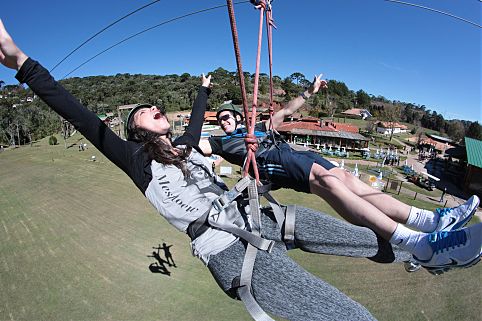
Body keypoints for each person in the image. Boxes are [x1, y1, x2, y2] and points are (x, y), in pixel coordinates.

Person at [1, 19, 480, 321]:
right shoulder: (135, 161)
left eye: (153, 105)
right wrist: (18, 58)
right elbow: (73, 111)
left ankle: (426, 249)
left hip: (259, 215)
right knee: (349, 315)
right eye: (143, 111)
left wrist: (205, 90)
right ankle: (418, 247)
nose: (151, 106)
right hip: (231, 249)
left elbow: (192, 122)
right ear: (135, 131)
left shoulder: (187, 144)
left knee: (368, 238)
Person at [199, 75, 481, 271]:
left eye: (228, 117)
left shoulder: (258, 129)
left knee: (348, 180)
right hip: (274, 162)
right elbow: (190, 141)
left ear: (237, 117)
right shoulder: (220, 143)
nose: (224, 121)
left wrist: (309, 92)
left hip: (296, 154)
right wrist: (204, 93)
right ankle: (418, 244)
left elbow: (285, 111)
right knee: (328, 183)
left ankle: (431, 220)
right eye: (220, 118)